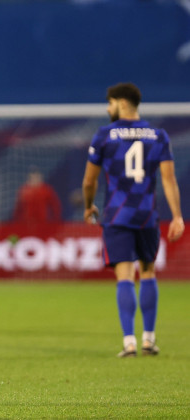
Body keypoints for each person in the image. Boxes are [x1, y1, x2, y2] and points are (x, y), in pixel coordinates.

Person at [81, 82, 185, 358]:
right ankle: (149, 339)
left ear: (122, 103)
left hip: (117, 214)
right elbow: (168, 179)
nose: (107, 108)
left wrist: (89, 206)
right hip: (147, 215)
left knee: (124, 275)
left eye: (110, 102)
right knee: (148, 272)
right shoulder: (158, 135)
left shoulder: (104, 135)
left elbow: (89, 181)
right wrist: (177, 216)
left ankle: (129, 342)